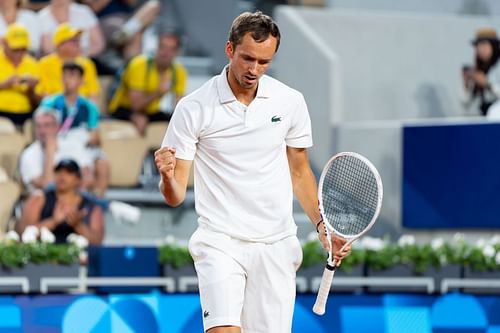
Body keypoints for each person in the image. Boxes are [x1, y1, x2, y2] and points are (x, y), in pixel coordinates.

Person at [154, 11, 350, 333]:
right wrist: (165, 176)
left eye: (264, 62)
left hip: (275, 243)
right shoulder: (193, 108)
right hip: (220, 241)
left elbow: (299, 172)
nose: (254, 69)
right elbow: (175, 196)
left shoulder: (290, 102)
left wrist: (322, 226)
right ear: (229, 49)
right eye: (247, 58)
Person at [40, 61, 109, 197]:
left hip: (81, 145)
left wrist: (88, 139)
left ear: (81, 80)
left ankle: (97, 205)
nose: (68, 80)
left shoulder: (89, 107)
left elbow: (95, 135)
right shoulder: (49, 103)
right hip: (58, 144)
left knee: (102, 164)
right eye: (65, 76)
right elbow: (41, 128)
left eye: (72, 76)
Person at [108, 31, 187, 135]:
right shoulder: (139, 65)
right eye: (162, 47)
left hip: (151, 112)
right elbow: (135, 106)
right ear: (157, 48)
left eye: (170, 49)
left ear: (177, 52)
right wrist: (158, 93)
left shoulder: (178, 71)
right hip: (123, 108)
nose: (165, 53)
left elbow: (178, 105)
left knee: (180, 124)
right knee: (140, 120)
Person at [18, 158, 104, 245]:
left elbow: (97, 241)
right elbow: (23, 232)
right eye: (59, 172)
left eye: (69, 172)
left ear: (78, 179)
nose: (62, 176)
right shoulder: (39, 199)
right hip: (43, 254)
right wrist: (53, 221)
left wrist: (77, 225)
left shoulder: (90, 206)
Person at [19, 106, 95, 193]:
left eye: (47, 125)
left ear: (57, 127)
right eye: (38, 126)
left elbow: (89, 179)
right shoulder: (28, 154)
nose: (42, 131)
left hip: (76, 198)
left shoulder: (74, 146)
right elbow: (47, 187)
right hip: (45, 203)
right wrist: (49, 152)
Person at [38, 23, 101, 104]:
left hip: (82, 108)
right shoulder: (45, 64)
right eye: (73, 41)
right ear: (60, 44)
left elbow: (93, 94)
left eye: (78, 40)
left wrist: (90, 112)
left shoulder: (87, 63)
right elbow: (43, 94)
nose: (78, 44)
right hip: (55, 108)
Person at [0, 23, 41, 127]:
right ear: (4, 43)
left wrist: (31, 90)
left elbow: (37, 103)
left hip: (25, 115)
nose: (19, 53)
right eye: (15, 49)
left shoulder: (32, 64)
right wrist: (4, 84)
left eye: (23, 49)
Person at [37, 0, 105, 57]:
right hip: (57, 62)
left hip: (87, 59)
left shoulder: (84, 11)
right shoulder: (41, 17)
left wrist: (81, 56)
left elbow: (98, 43)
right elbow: (48, 49)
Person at [462, 27, 500, 116]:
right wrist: (466, 84)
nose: (480, 49)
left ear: (494, 46)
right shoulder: (478, 69)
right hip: (484, 118)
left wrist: (487, 84)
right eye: (478, 45)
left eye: (484, 44)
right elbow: (465, 103)